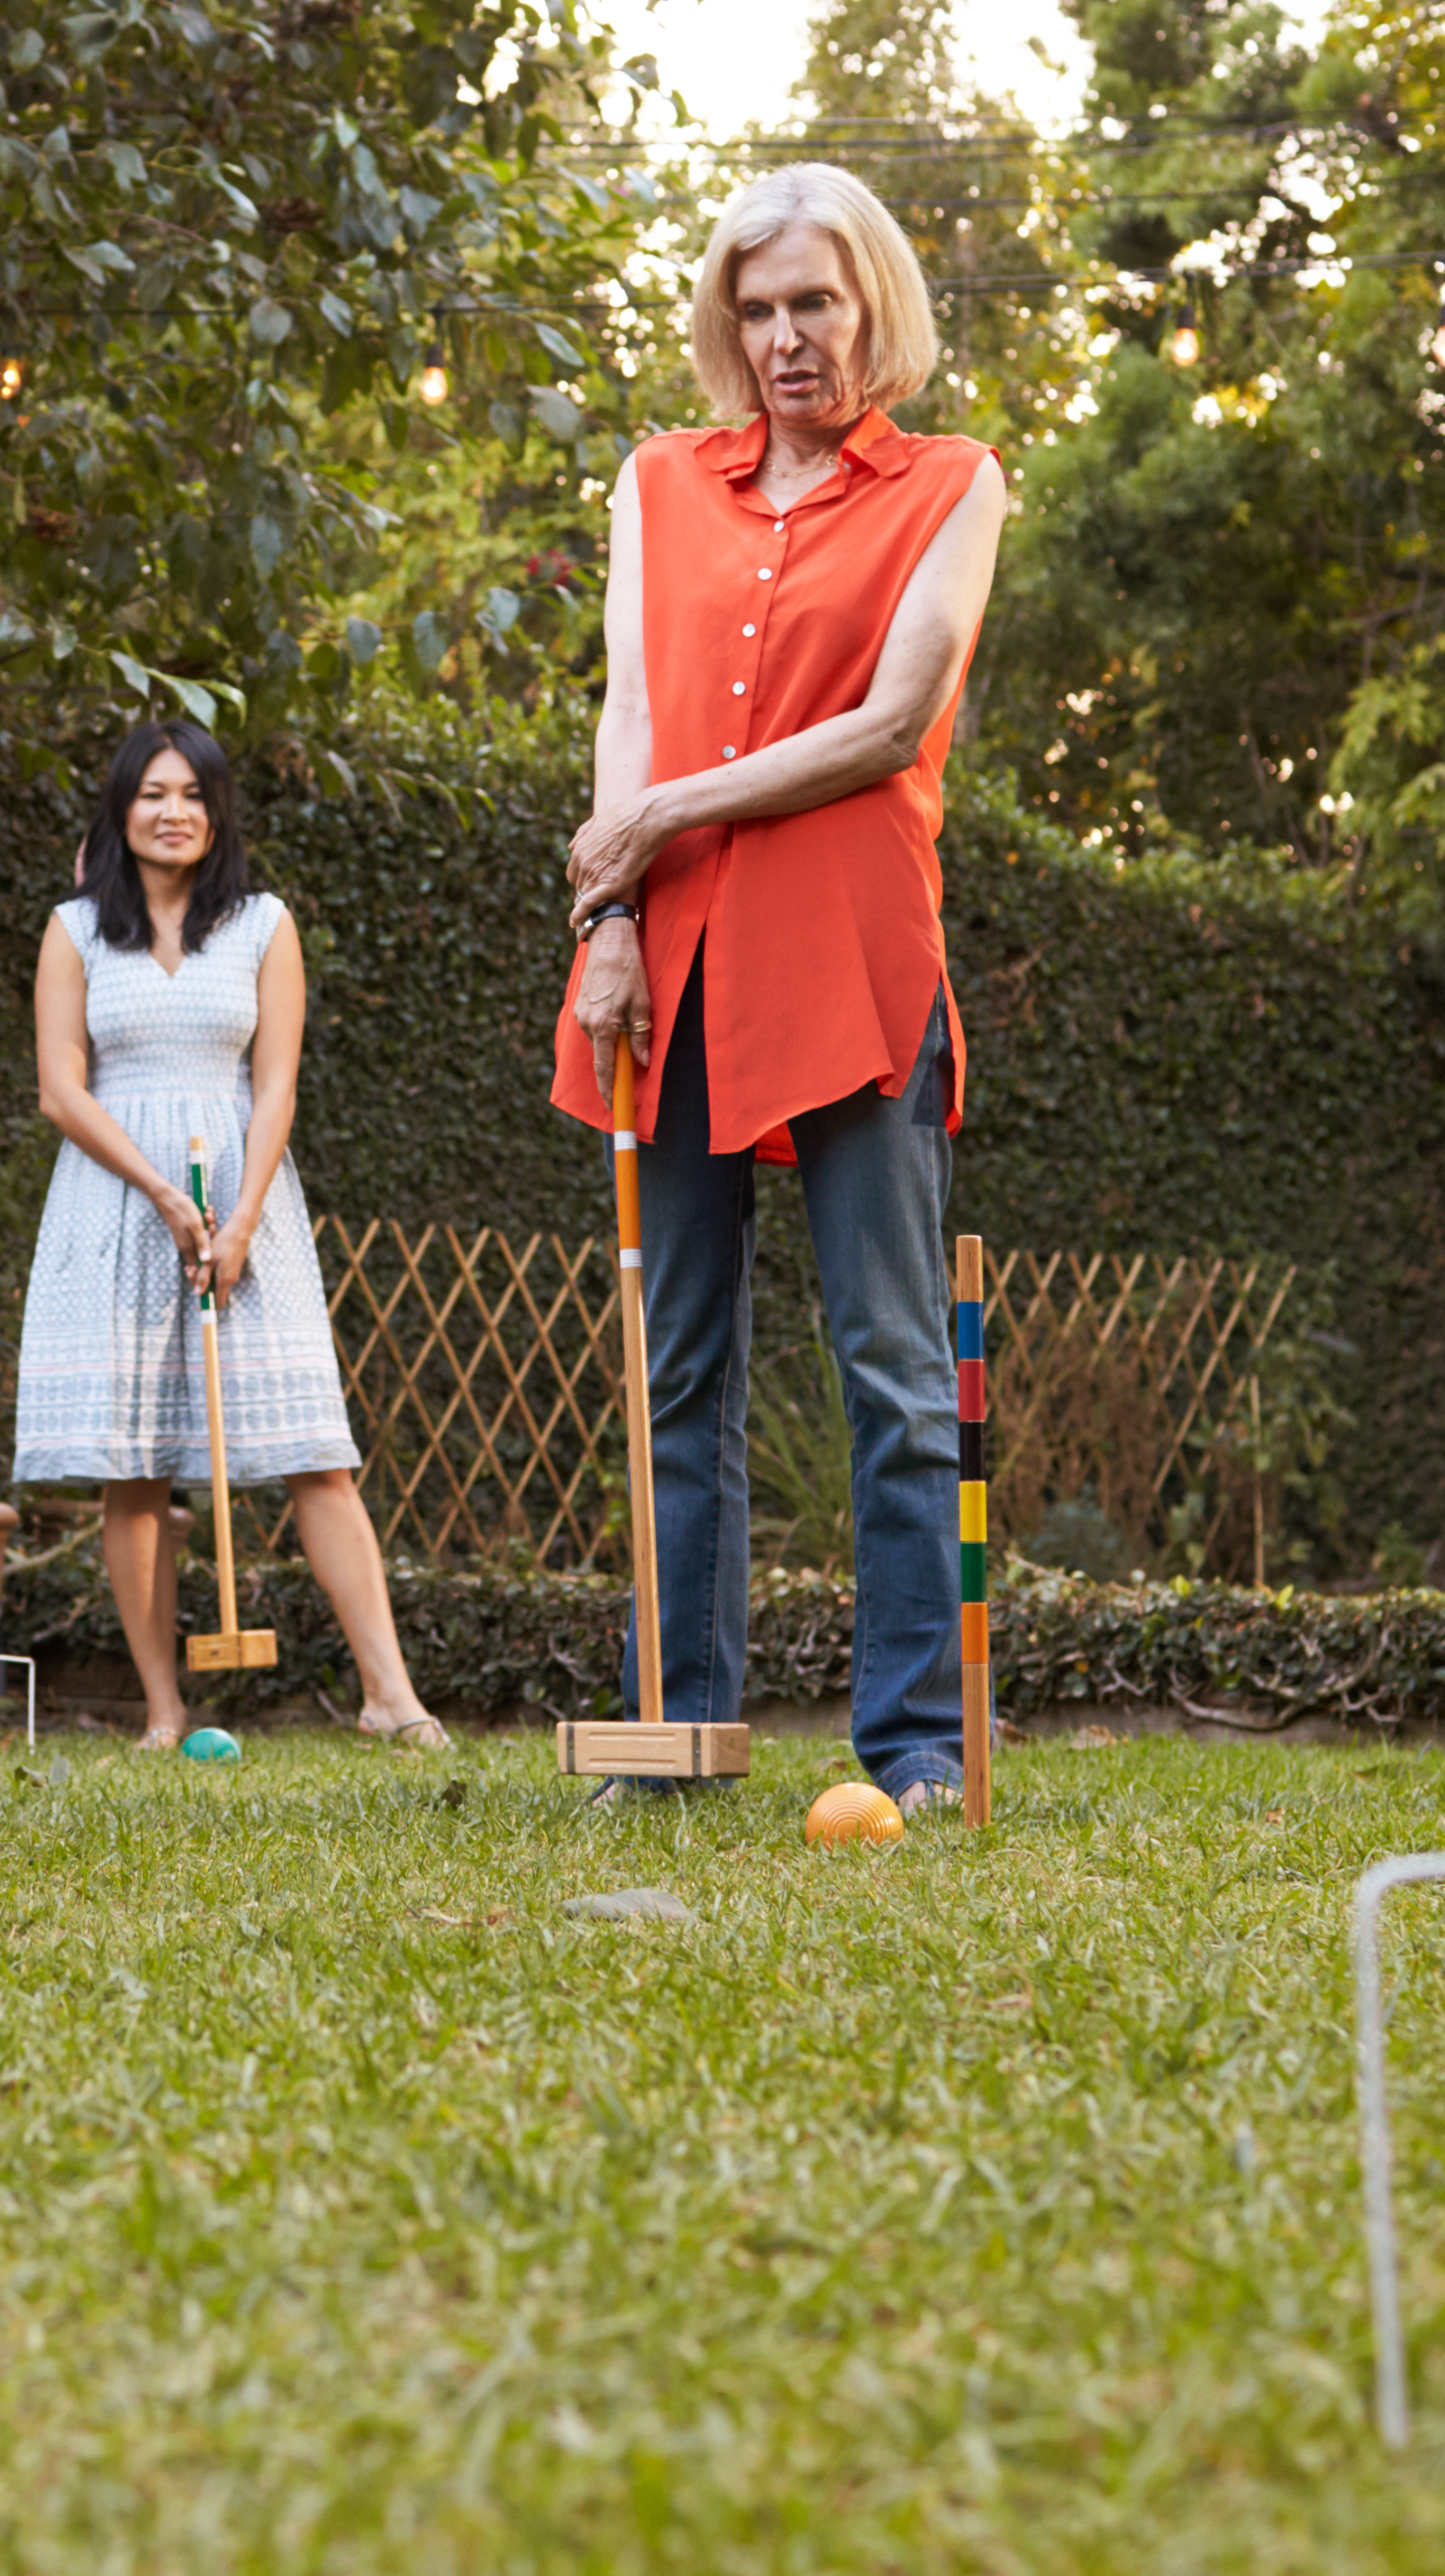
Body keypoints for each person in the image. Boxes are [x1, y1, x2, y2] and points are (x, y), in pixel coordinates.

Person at [553, 164, 1010, 1811]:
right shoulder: (657, 480)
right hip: (660, 959)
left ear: (868, 302)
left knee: (889, 1367)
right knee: (670, 1366)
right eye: (753, 308)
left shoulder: (950, 483)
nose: (782, 337)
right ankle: (673, 1738)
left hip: (850, 963)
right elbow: (631, 709)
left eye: (811, 301)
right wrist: (608, 912)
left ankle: (910, 1749)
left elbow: (894, 722)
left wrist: (663, 815)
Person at [11, 720, 447, 1751]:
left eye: (194, 795)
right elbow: (61, 1090)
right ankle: (163, 1710)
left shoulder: (262, 925)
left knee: (316, 1454)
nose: (174, 812)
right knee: (135, 1469)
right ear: (122, 810)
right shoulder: (74, 931)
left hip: (248, 1202)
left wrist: (240, 1213)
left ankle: (393, 1697)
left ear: (218, 814)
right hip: (117, 1206)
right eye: (153, 793)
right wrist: (166, 1196)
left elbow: (277, 1081)